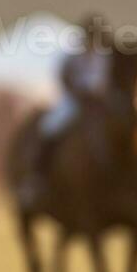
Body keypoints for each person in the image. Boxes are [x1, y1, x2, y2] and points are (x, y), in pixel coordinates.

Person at [18, 13, 111, 206]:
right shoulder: (72, 55)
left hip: (100, 105)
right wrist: (79, 95)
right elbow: (63, 77)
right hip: (74, 101)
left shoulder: (106, 57)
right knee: (49, 128)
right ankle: (37, 177)